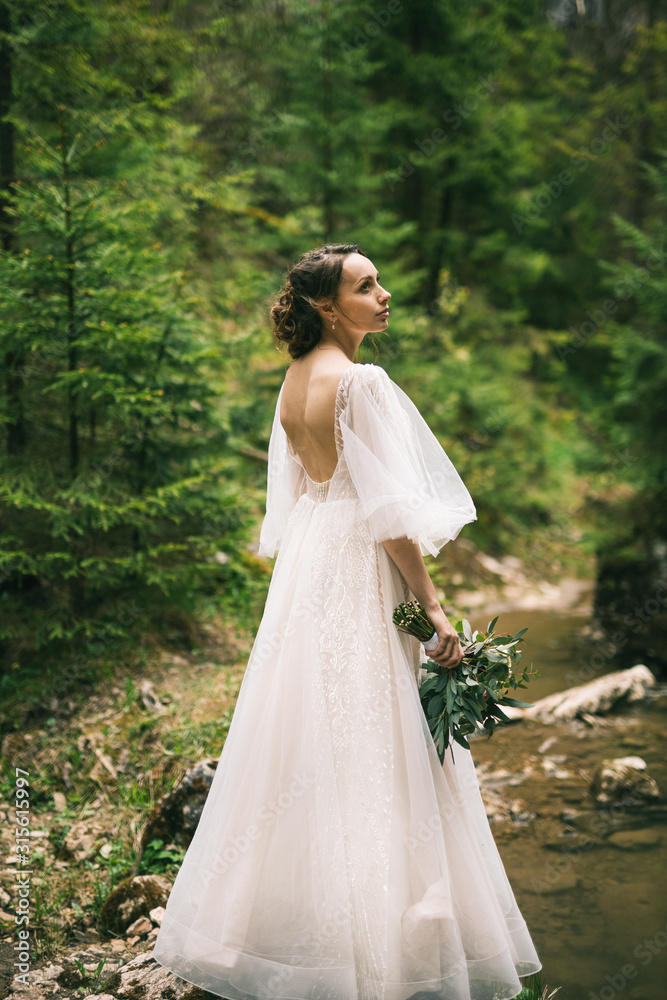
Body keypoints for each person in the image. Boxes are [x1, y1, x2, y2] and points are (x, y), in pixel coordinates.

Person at [152, 243, 542, 1000]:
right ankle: (382, 948)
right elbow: (389, 511)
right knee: (380, 735)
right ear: (328, 307)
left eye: (378, 282)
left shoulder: (297, 379)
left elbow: (301, 490)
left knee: (310, 732)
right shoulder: (360, 382)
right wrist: (429, 606)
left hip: (312, 562)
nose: (384, 294)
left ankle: (293, 929)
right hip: (359, 560)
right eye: (366, 287)